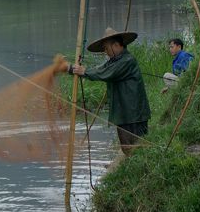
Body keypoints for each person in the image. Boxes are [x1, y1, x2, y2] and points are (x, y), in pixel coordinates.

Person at [64, 27, 151, 157]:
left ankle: (143, 170)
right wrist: (74, 69)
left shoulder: (127, 61)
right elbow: (100, 69)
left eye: (106, 48)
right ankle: (135, 167)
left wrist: (84, 71)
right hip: (124, 113)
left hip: (134, 113)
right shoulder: (114, 61)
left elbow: (104, 73)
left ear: (116, 45)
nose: (105, 52)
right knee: (128, 148)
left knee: (138, 147)